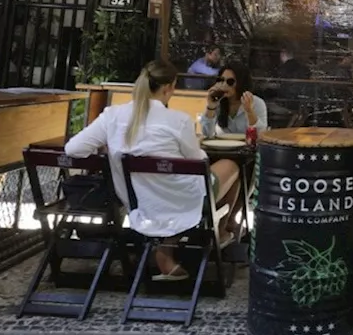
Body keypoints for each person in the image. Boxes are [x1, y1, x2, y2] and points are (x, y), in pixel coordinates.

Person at [66, 60, 239, 280]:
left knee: (179, 187)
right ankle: (219, 234)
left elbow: (73, 149)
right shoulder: (178, 120)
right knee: (231, 166)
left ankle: (175, 246)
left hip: (138, 201)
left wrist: (108, 147)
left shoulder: (112, 116)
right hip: (180, 200)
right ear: (168, 88)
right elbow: (198, 162)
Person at [198, 64, 266, 138]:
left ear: (241, 83)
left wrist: (249, 111)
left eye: (230, 82)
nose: (224, 84)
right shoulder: (218, 102)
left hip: (247, 147)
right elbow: (207, 134)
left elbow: (261, 134)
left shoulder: (257, 103)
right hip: (222, 147)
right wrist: (211, 107)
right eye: (222, 80)